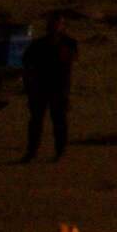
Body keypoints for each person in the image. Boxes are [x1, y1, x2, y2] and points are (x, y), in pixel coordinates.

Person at [20, 11, 78, 162]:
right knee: (36, 122)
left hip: (58, 87)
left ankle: (60, 151)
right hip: (40, 87)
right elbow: (27, 63)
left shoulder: (69, 43)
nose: (54, 27)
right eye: (52, 24)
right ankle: (32, 152)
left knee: (58, 121)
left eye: (57, 24)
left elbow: (69, 59)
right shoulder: (38, 44)